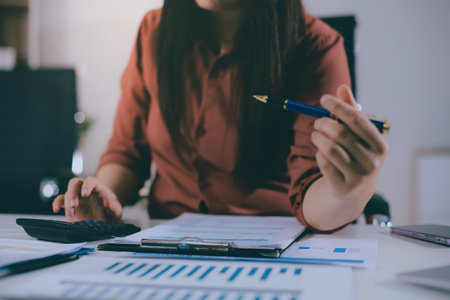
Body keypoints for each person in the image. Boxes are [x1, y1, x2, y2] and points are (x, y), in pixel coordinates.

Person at [52, 0, 388, 233]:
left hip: (272, 251)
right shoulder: (153, 32)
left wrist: (349, 193)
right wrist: (101, 195)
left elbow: (312, 191)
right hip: (163, 243)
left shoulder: (317, 47)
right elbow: (126, 153)